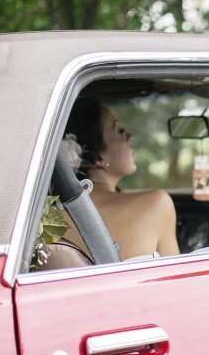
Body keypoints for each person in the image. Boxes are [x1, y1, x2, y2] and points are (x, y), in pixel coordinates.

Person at [60, 97, 180, 260]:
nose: (130, 136)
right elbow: (176, 280)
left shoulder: (47, 212)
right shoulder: (157, 203)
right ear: (99, 158)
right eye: (119, 131)